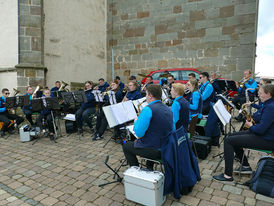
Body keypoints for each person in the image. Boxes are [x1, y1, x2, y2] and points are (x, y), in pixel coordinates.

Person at [213, 84, 274, 182]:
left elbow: (260, 130)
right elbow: (258, 116)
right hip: (262, 135)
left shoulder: (271, 107)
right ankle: (245, 166)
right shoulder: (268, 104)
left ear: (268, 94)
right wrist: (249, 116)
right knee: (230, 136)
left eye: (261, 93)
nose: (258, 95)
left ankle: (227, 175)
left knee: (229, 141)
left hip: (267, 140)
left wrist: (250, 126)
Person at [122, 84, 173, 169]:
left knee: (126, 146)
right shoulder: (167, 108)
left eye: (146, 94)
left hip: (155, 149)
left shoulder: (148, 109)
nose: (145, 97)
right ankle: (149, 167)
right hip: (167, 146)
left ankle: (135, 172)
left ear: (150, 96)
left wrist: (136, 121)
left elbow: (138, 133)